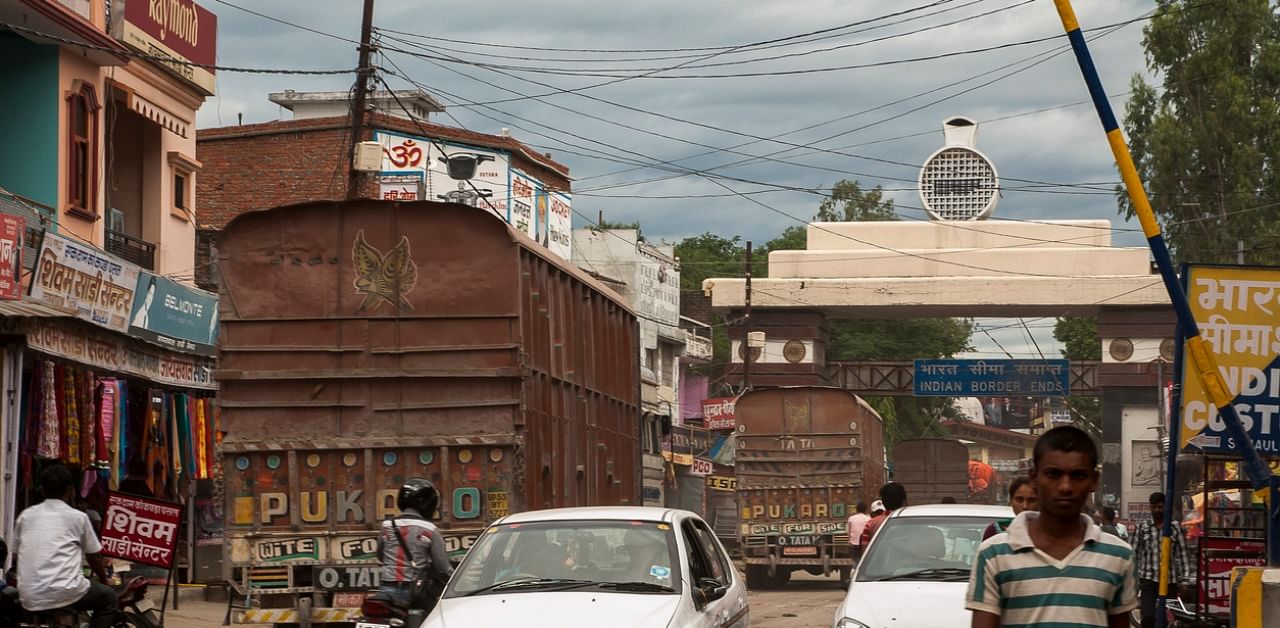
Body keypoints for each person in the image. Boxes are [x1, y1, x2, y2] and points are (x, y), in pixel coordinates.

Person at [966, 426, 1137, 628]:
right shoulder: (993, 554)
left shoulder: (1119, 555)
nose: (1065, 486)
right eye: (1053, 474)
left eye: (1078, 476)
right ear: (1034, 478)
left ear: (1094, 481)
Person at [13, 464, 119, 628]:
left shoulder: (26, 516)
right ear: (70, 490)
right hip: (66, 592)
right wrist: (104, 580)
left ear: (41, 490)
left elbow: (15, 553)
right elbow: (94, 557)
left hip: (29, 595)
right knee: (108, 598)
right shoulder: (78, 517)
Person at [377, 478, 453, 611]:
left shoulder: (387, 525)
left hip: (386, 590)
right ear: (428, 503)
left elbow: (380, 555)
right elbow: (442, 567)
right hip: (414, 592)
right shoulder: (429, 529)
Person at [1131, 492, 1190, 628]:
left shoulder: (1174, 528)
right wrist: (1133, 579)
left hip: (1170, 581)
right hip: (1148, 580)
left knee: (1165, 618)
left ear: (1165, 507)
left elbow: (1182, 555)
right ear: (1150, 508)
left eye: (1160, 507)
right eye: (1154, 507)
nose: (1157, 510)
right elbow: (1134, 554)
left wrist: (1185, 581)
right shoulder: (1142, 528)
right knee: (1148, 616)